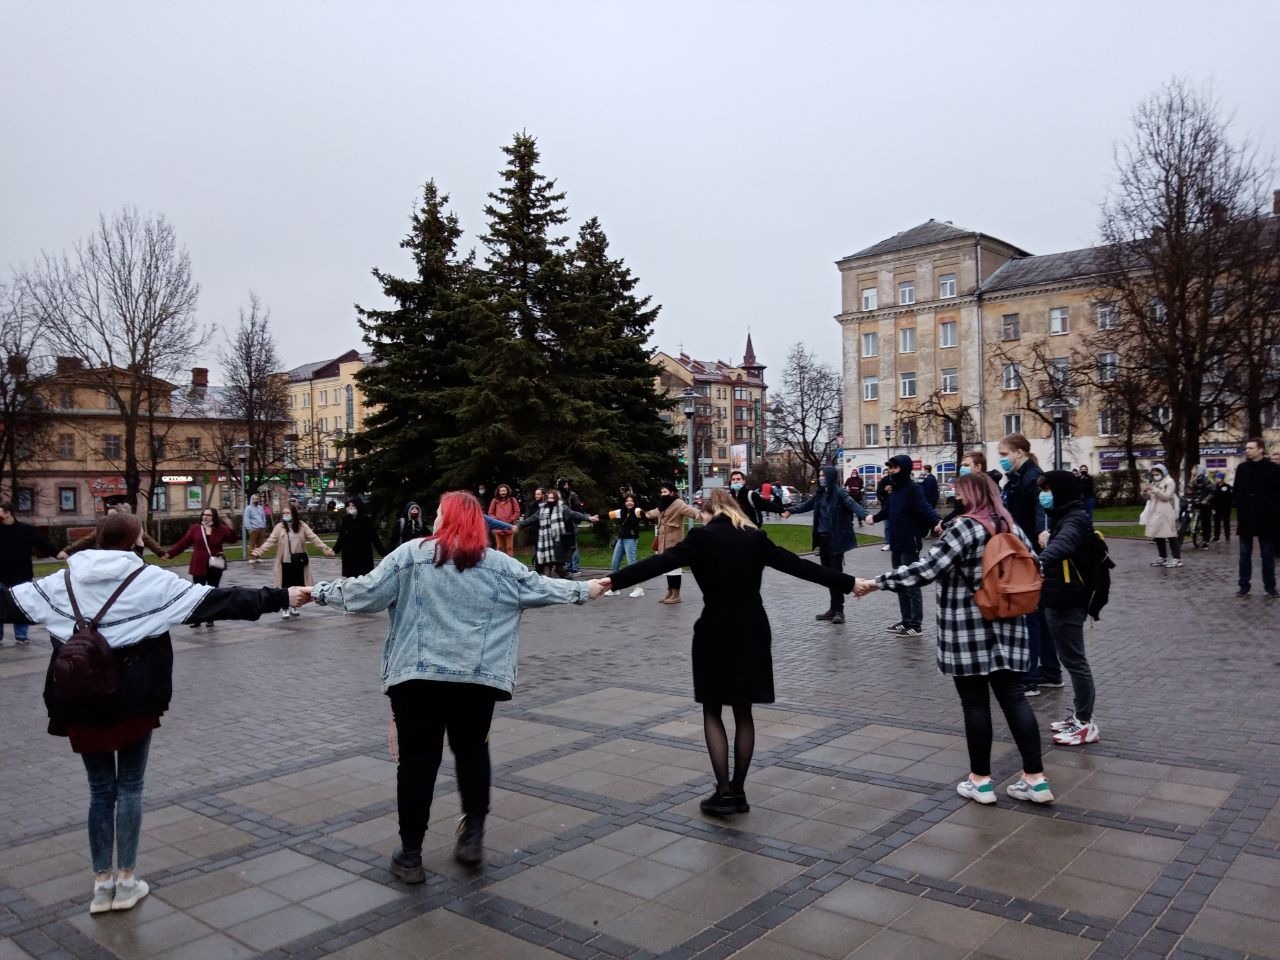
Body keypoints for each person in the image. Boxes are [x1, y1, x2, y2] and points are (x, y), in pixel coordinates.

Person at [0, 511, 304, 915]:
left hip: (79, 699)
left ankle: (101, 885)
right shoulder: (152, 581)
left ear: (97, 539)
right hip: (136, 698)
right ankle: (127, 882)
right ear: (136, 541)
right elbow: (220, 602)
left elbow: (8, 604)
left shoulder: (61, 582)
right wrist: (282, 597)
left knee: (99, 791)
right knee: (129, 788)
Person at [305, 492, 605, 878]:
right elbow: (543, 587)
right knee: (472, 753)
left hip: (417, 682)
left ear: (444, 519)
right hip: (476, 683)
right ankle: (472, 838)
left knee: (417, 764)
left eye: (438, 514)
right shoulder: (499, 565)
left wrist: (318, 592)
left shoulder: (411, 555)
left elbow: (365, 594)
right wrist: (586, 590)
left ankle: (410, 855)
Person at [601, 490, 856, 816]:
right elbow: (799, 566)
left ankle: (723, 792)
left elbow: (658, 563)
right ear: (734, 511)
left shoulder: (701, 538)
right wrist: (850, 583)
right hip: (752, 629)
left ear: (708, 513)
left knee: (713, 709)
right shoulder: (754, 537)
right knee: (743, 711)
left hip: (715, 629)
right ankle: (739, 792)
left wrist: (611, 581)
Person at [854, 473, 1053, 807]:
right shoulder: (1011, 527)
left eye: (958, 492)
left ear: (969, 495)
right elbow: (1037, 569)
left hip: (967, 628)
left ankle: (981, 782)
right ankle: (1035, 779)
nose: (954, 497)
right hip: (1009, 625)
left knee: (975, 705)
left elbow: (926, 569)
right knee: (1015, 700)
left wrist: (877, 582)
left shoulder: (964, 528)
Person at [1035, 471, 1100, 747]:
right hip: (1058, 597)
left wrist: (1041, 558)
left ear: (1061, 491)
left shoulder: (1075, 519)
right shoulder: (1063, 516)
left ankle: (1085, 723)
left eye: (1048, 490)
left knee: (1076, 661)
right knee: (1070, 659)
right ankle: (1079, 714)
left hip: (1069, 600)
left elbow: (1065, 544)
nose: (1044, 496)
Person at [997, 433, 1060, 696]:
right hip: (1023, 550)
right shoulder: (1017, 478)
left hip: (1028, 554)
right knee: (1038, 615)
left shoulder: (1033, 478)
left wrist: (1040, 537)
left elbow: (1041, 514)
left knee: (1030, 615)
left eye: (1004, 454)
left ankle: (1030, 677)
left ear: (1019, 452)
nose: (1002, 459)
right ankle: (1051, 672)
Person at [864, 456, 940, 637]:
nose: (891, 471)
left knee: (911, 582)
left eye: (895, 468)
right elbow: (889, 509)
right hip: (896, 542)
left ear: (904, 469)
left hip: (909, 542)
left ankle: (916, 624)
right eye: (890, 468)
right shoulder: (896, 489)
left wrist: (937, 522)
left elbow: (924, 507)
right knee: (899, 582)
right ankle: (905, 620)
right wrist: (874, 518)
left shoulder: (914, 489)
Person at [782, 465, 868, 625]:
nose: (821, 478)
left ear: (830, 476)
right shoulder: (820, 494)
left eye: (823, 475)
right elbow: (806, 505)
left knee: (836, 575)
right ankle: (832, 609)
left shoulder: (839, 493)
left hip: (835, 539)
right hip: (822, 540)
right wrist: (791, 510)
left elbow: (852, 504)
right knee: (827, 576)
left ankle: (839, 611)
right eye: (820, 475)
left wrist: (866, 515)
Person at [251, 505, 335, 618]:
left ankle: (294, 606)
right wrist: (260, 551)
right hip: (285, 562)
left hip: (298, 561)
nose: (286, 515)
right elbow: (270, 541)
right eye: (284, 513)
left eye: (288, 513)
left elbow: (314, 538)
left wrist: (325, 549)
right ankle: (285, 607)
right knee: (285, 586)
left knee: (296, 586)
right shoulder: (280, 527)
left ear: (293, 514)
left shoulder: (302, 526)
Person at [162, 508, 236, 629]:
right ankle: (197, 618)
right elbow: (184, 543)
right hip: (199, 564)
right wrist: (170, 554)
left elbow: (233, 540)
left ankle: (210, 617)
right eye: (204, 514)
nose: (205, 517)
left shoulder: (221, 529)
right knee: (197, 592)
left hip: (215, 564)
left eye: (208, 515)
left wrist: (230, 526)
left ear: (214, 517)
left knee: (212, 591)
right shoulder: (195, 528)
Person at [0, 501, 56, 646]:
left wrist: (58, 553)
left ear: (7, 513)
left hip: (22, 575)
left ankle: (21, 635)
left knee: (22, 605)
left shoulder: (26, 530)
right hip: (1, 575)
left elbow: (42, 544)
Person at [1233, 437, 1279, 598]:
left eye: (1251, 448)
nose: (1247, 451)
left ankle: (1270, 587)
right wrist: (1239, 505)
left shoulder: (1273, 469)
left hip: (1266, 518)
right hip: (1246, 517)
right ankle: (1244, 586)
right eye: (1246, 448)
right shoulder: (1242, 468)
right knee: (1244, 555)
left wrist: (1272, 509)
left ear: (1260, 449)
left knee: (1267, 555)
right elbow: (1237, 490)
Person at [517, 488, 598, 578]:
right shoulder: (542, 509)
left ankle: (562, 575)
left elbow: (574, 514)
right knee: (547, 565)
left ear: (556, 498)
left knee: (559, 563)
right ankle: (551, 578)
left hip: (558, 541)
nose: (550, 500)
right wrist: (520, 525)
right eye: (549, 498)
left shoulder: (563, 509)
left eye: (552, 498)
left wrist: (588, 517)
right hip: (546, 542)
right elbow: (532, 518)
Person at [643, 482, 702, 603]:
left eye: (665, 492)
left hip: (674, 543)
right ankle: (670, 592)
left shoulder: (678, 503)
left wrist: (702, 515)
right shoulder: (662, 505)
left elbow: (691, 511)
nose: (662, 494)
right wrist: (642, 513)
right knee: (667, 567)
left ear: (672, 492)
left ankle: (676, 595)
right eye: (661, 492)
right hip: (663, 542)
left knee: (674, 569)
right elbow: (653, 513)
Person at [60, 504, 164, 560]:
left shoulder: (130, 527)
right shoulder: (102, 528)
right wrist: (67, 551)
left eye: (113, 515)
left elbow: (147, 539)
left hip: (125, 560)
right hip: (105, 560)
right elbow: (86, 540)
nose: (110, 518)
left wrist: (161, 553)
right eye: (108, 515)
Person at [334, 496, 387, 578]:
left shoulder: (366, 520)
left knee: (363, 579)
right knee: (350, 580)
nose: (350, 507)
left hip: (363, 556)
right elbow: (341, 537)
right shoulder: (346, 519)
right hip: (349, 556)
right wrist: (335, 550)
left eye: (353, 505)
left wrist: (383, 552)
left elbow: (374, 538)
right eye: (349, 505)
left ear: (358, 506)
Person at [604, 495, 646, 597]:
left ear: (635, 502)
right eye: (627, 501)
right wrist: (595, 517)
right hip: (621, 539)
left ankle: (639, 589)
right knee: (615, 563)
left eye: (631, 501)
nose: (629, 502)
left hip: (631, 540)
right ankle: (615, 588)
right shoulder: (621, 511)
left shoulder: (637, 511)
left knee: (632, 564)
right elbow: (609, 515)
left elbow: (645, 514)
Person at [1141, 464, 1181, 569]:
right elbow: (1149, 498)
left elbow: (1166, 497)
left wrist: (1154, 489)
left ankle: (1177, 558)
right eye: (1153, 474)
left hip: (1166, 512)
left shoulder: (1169, 481)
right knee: (1158, 535)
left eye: (1157, 474)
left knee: (1171, 535)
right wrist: (1144, 491)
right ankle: (1162, 557)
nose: (1155, 476)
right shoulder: (1154, 483)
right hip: (1155, 512)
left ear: (1163, 472)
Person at [555, 479, 586, 575]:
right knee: (567, 545)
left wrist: (577, 518)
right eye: (564, 485)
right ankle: (569, 567)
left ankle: (575, 568)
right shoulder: (558, 495)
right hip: (563, 523)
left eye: (566, 484)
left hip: (572, 522)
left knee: (573, 545)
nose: (566, 486)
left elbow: (577, 508)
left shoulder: (571, 495)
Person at [488, 484, 522, 557]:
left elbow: (517, 512)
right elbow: (490, 513)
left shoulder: (512, 500)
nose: (503, 492)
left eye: (504, 491)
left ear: (507, 491)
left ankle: (510, 562)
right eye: (501, 491)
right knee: (499, 548)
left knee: (509, 547)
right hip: (498, 528)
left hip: (509, 527)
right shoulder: (495, 500)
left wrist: (510, 520)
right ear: (498, 492)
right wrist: (497, 521)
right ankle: (499, 562)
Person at [1188, 466, 1214, 551]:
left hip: (1204, 503)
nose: (1192, 470)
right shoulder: (1193, 479)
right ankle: (1184, 528)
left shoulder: (1206, 479)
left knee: (1205, 522)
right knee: (1186, 513)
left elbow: (1212, 491)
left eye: (1194, 469)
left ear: (1199, 470)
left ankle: (1206, 541)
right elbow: (1189, 490)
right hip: (1195, 502)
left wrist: (1206, 500)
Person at [244, 494, 269, 563]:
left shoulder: (260, 508)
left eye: (257, 498)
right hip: (253, 528)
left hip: (261, 528)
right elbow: (246, 519)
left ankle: (258, 557)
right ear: (251, 500)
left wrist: (264, 525)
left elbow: (263, 517)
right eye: (254, 499)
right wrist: (249, 528)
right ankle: (251, 558)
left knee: (260, 544)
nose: (256, 500)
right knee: (252, 544)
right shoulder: (248, 508)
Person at [1210, 471, 1233, 543]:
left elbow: (1231, 497)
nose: (1216, 479)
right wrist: (1212, 507)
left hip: (1226, 508)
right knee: (1217, 523)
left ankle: (1227, 536)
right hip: (1217, 508)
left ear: (1222, 478)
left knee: (1226, 522)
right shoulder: (1214, 487)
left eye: (1218, 478)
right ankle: (1216, 537)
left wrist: (1230, 505)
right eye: (1216, 478)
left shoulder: (1227, 487)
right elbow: (1212, 497)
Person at [875, 468, 893, 551]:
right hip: (886, 506)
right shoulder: (884, 480)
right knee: (887, 525)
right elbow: (878, 492)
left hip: (898, 506)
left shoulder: (899, 479)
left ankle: (897, 542)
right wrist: (884, 491)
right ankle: (888, 543)